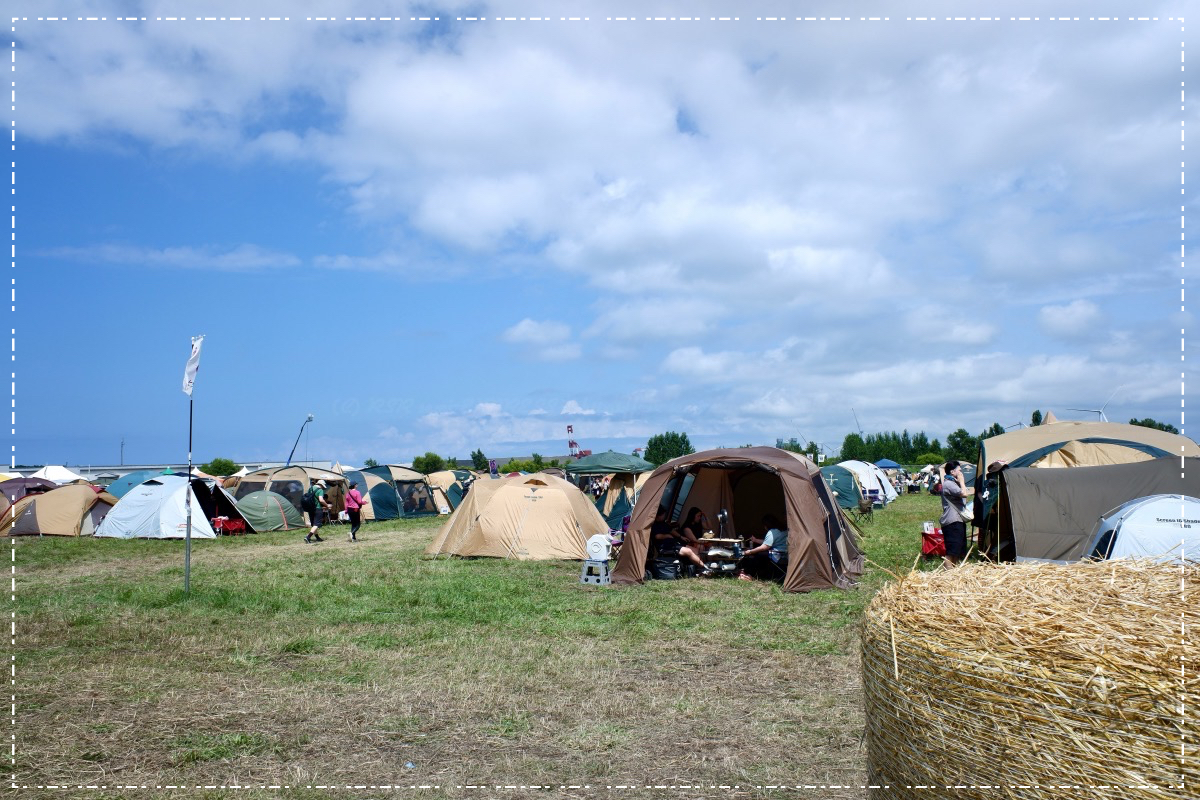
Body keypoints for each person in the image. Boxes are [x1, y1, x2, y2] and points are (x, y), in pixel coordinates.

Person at [939, 460, 976, 567]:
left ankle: (953, 573)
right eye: (959, 470)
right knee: (952, 551)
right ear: (952, 471)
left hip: (957, 520)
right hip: (952, 521)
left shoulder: (953, 483)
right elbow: (964, 493)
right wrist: (962, 481)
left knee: (957, 551)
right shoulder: (948, 484)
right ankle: (948, 574)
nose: (961, 473)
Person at [738, 514, 789, 581]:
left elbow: (764, 547)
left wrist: (750, 552)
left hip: (778, 556)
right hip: (787, 554)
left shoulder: (772, 532)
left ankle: (752, 573)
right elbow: (768, 542)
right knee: (761, 554)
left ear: (766, 525)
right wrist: (755, 540)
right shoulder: (784, 530)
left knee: (759, 555)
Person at [305, 479, 331, 543]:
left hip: (310, 508)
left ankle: (317, 537)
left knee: (314, 524)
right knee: (317, 524)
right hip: (317, 508)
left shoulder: (310, 489)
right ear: (321, 485)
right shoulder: (320, 490)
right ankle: (308, 537)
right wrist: (327, 505)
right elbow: (321, 500)